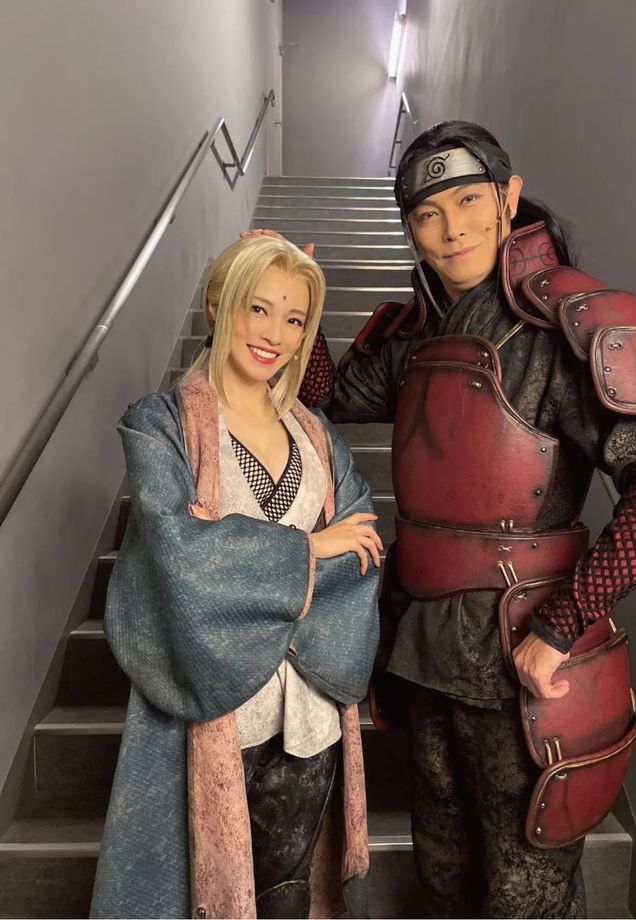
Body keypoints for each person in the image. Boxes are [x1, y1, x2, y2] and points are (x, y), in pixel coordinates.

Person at [276, 120, 636, 918]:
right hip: (420, 648)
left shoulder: (570, 327)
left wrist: (563, 624)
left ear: (507, 198)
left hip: (524, 661)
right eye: (426, 214)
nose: (451, 230)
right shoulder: (414, 338)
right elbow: (322, 399)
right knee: (443, 874)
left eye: (467, 200)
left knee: (526, 896)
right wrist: (297, 303)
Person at [91, 236, 382, 920]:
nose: (274, 334)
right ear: (220, 305)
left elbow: (364, 547)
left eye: (293, 319)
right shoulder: (160, 426)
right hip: (211, 700)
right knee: (202, 893)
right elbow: (177, 554)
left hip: (309, 712)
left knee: (287, 889)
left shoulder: (317, 435)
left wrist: (258, 568)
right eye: (258, 308)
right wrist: (309, 550)